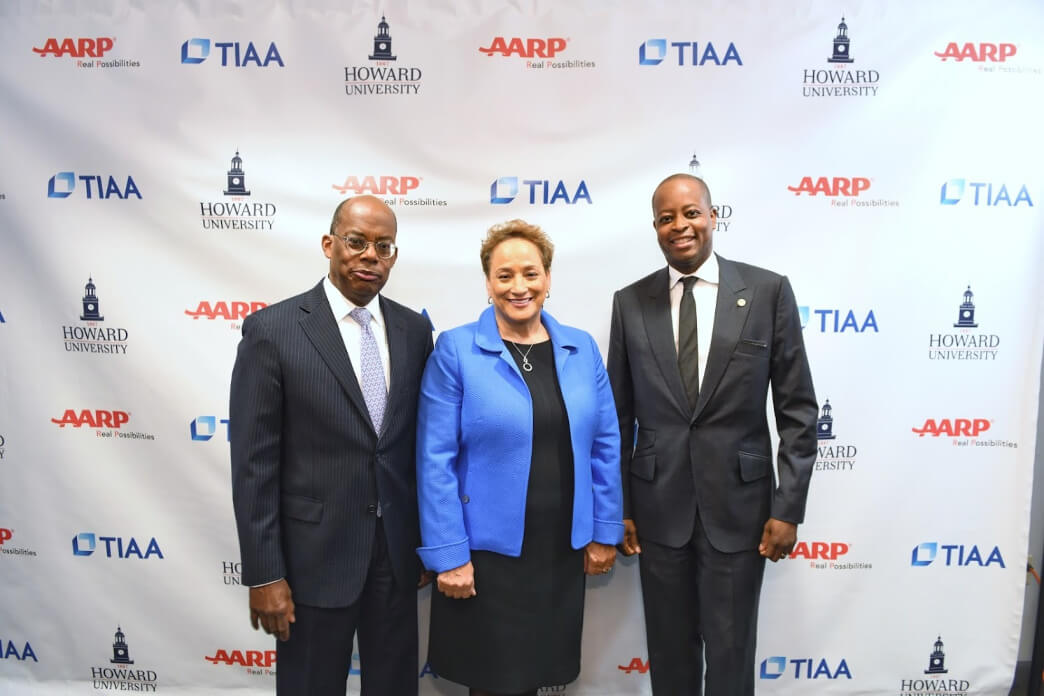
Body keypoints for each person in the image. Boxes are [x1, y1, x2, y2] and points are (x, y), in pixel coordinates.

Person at [607, 173, 818, 695]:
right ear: (655, 227)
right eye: (666, 218)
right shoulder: (630, 302)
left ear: (712, 215)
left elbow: (797, 411)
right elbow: (618, 415)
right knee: (670, 656)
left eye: (690, 213)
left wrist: (787, 508)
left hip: (741, 512)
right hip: (658, 513)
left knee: (730, 653)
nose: (680, 226)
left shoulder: (768, 292)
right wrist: (621, 508)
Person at [229, 195, 434, 695]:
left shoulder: (414, 330)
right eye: (356, 241)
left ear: (394, 256)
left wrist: (428, 546)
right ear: (329, 244)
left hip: (395, 559)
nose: (370, 256)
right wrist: (264, 575)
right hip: (311, 564)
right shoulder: (272, 331)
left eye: (383, 246)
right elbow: (254, 464)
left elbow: (417, 449)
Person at [416, 220, 623, 696]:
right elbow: (434, 459)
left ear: (548, 278)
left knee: (544, 678)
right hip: (486, 559)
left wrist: (605, 531)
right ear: (488, 283)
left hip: (561, 553)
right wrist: (449, 555)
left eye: (530, 273)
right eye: (504, 275)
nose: (519, 287)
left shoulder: (580, 347)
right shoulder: (456, 349)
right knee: (494, 683)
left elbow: (605, 444)